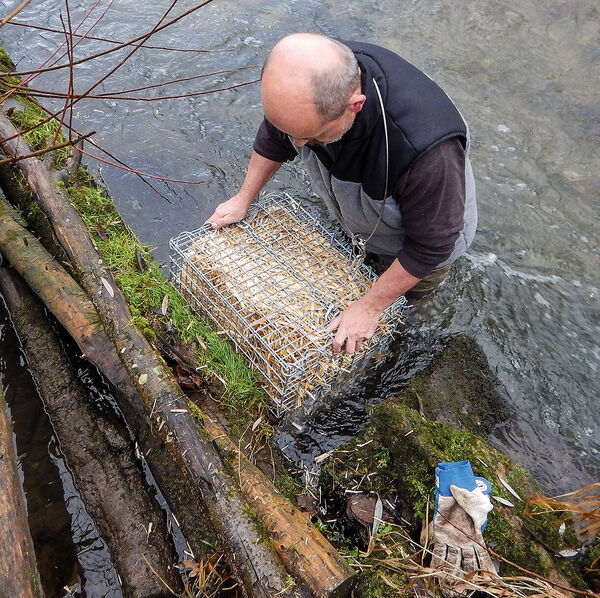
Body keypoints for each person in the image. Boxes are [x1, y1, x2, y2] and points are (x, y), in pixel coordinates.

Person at [207, 33, 476, 355]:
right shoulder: (311, 79)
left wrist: (371, 307)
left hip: (425, 238)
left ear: (355, 105)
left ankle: (401, 342)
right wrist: (244, 197)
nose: (298, 145)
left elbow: (431, 245)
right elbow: (275, 136)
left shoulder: (425, 151)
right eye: (293, 133)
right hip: (363, 212)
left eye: (310, 136)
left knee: (404, 313)